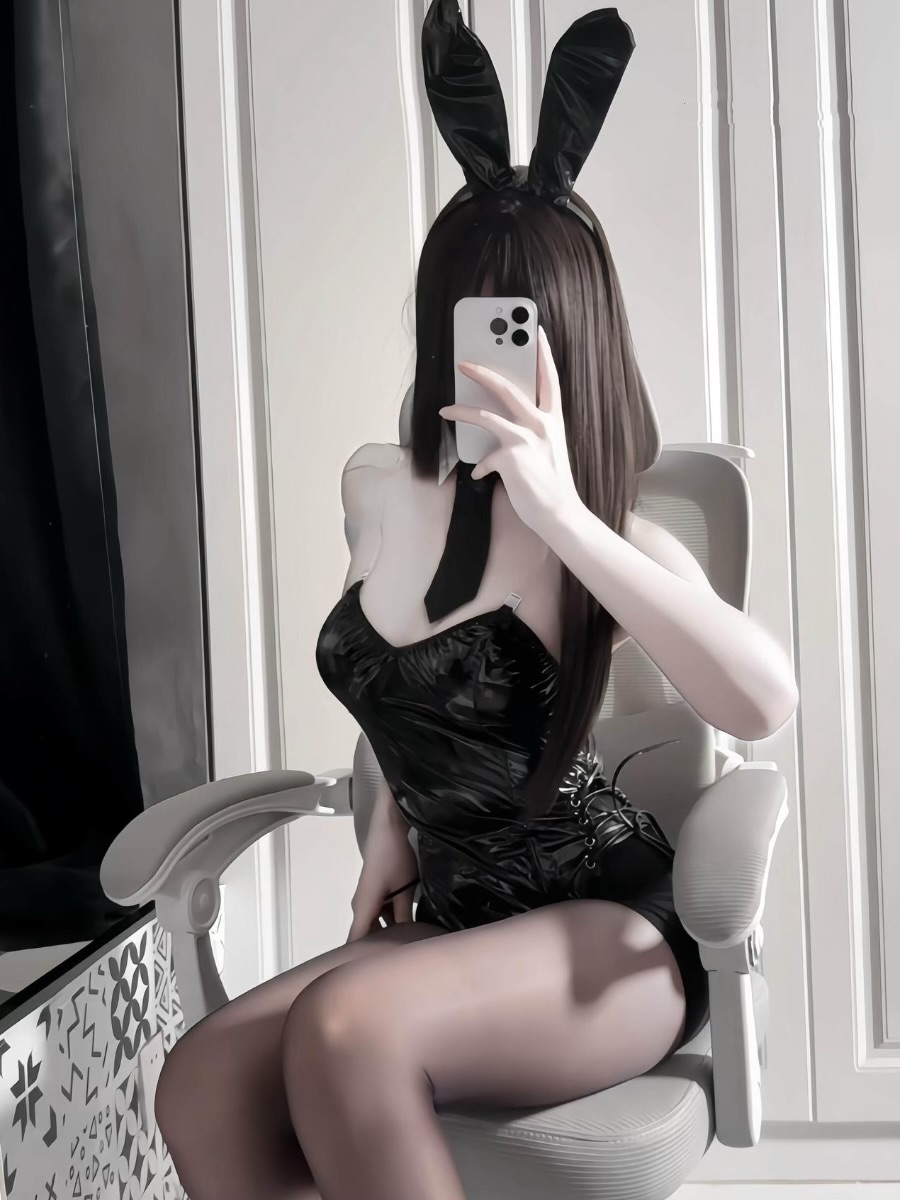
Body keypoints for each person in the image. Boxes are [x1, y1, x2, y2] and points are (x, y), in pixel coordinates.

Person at [154, 5, 799, 1199]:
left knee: (347, 1031)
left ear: (576, 336)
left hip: (610, 932)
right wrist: (391, 830)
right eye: (468, 315)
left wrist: (561, 513)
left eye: (521, 324)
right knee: (202, 1081)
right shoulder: (380, 496)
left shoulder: (612, 534)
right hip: (455, 920)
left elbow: (763, 703)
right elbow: (405, 694)